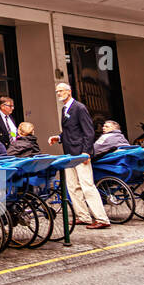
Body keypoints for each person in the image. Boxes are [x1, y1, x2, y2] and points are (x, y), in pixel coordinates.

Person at [47, 82, 110, 229]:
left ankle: (102, 218)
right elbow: (71, 131)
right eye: (57, 92)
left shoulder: (79, 108)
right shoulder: (65, 109)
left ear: (69, 92)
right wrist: (59, 138)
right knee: (73, 186)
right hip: (70, 154)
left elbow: (88, 132)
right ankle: (83, 216)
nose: (59, 94)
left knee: (87, 186)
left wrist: (86, 152)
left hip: (80, 153)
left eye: (61, 91)